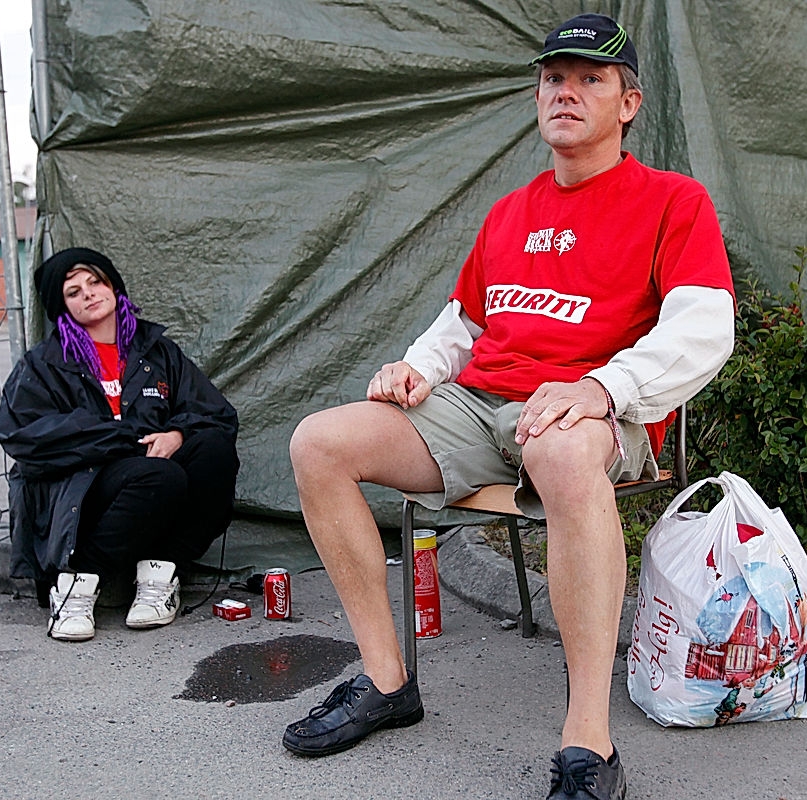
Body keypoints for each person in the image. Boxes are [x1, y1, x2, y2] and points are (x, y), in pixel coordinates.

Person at [283, 13, 734, 799]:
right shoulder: (510, 211)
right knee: (318, 442)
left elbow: (705, 328)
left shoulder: (672, 201)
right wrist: (418, 371)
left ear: (629, 103)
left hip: (593, 412)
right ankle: (388, 684)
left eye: (590, 79)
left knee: (559, 451)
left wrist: (601, 388)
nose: (566, 93)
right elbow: (463, 324)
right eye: (554, 79)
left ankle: (589, 745)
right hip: (481, 405)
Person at [0, 247, 240, 642]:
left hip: (151, 473)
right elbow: (21, 435)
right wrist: (121, 439)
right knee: (158, 476)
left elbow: (217, 412)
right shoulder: (42, 364)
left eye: (95, 282)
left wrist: (176, 433)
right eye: (73, 292)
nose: (88, 294)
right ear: (62, 307)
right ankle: (75, 586)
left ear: (113, 286)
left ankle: (160, 574)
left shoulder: (156, 351)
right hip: (81, 487)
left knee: (212, 451)